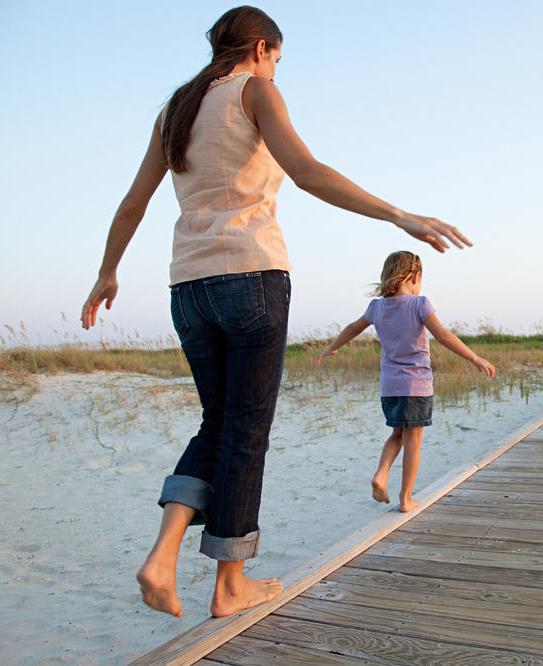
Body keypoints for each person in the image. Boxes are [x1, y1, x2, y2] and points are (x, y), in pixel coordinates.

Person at [79, 6, 472, 619]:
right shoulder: (254, 90)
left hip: (188, 287)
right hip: (252, 276)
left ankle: (162, 557)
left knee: (217, 422)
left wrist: (107, 272)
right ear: (260, 49)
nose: (277, 73)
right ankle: (229, 584)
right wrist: (399, 215)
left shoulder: (177, 108)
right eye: (279, 60)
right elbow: (308, 171)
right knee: (244, 433)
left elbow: (135, 202)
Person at [315, 251, 495, 512]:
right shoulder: (420, 304)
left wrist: (332, 347)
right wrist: (475, 358)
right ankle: (406, 498)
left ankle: (381, 474)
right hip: (416, 385)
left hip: (390, 387)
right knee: (414, 441)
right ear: (415, 276)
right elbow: (443, 336)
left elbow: (353, 328)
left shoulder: (377, 307)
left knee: (397, 434)